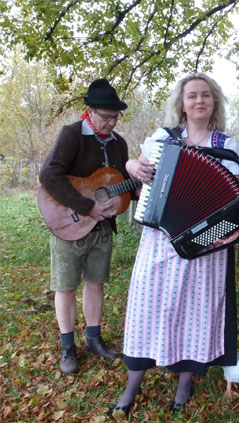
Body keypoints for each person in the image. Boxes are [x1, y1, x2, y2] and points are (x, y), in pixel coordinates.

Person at [109, 73, 239, 415]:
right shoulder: (161, 139)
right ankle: (132, 386)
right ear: (182, 105)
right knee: (147, 307)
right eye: (192, 96)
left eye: (205, 96)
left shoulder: (226, 146)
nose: (199, 101)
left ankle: (185, 384)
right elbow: (137, 175)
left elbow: (235, 202)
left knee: (196, 314)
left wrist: (234, 228)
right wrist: (131, 166)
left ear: (214, 103)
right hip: (159, 240)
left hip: (204, 245)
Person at [39, 78, 133, 375]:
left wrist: (144, 181)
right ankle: (68, 345)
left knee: (96, 283)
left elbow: (123, 187)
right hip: (69, 224)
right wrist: (87, 206)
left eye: (115, 116)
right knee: (65, 287)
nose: (111, 122)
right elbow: (49, 176)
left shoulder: (119, 144)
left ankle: (93, 339)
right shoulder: (72, 135)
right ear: (89, 111)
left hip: (103, 229)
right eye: (105, 116)